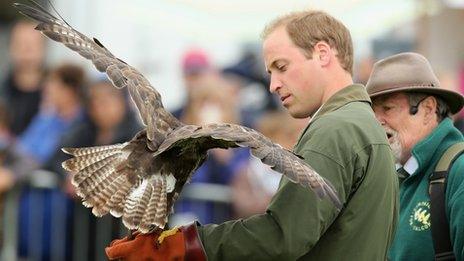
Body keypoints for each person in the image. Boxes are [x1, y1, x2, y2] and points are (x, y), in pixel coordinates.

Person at [105, 10, 399, 260]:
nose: (273, 84)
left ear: (323, 54)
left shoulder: (335, 129)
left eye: (281, 67)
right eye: (270, 72)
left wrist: (185, 245)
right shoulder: (365, 122)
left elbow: (283, 236)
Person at [366, 52, 464, 261]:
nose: (376, 121)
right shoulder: (395, 176)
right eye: (372, 112)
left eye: (387, 108)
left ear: (428, 109)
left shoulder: (460, 171)